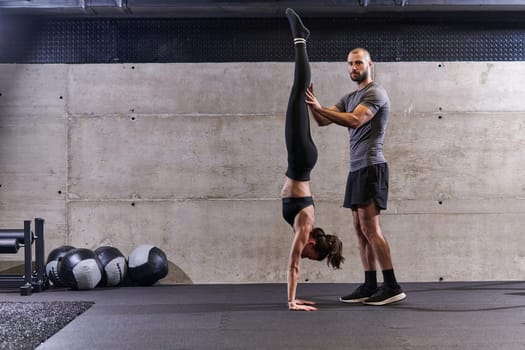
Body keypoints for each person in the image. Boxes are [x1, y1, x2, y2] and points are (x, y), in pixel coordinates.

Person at [305, 48, 406, 306]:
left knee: (371, 228)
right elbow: (322, 120)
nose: (353, 68)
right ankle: (370, 284)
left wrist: (320, 108)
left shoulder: (375, 93)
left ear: (369, 64)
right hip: (357, 170)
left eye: (358, 63)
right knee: (360, 231)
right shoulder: (350, 96)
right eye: (350, 64)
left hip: (372, 167)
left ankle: (392, 285)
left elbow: (353, 120)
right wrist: (310, 101)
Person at [281, 8, 345, 311]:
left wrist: (296, 298)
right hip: (300, 158)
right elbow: (294, 264)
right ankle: (300, 37)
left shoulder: (305, 227)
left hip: (302, 159)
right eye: (312, 255)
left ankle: (301, 39)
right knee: (297, 92)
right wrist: (292, 302)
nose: (306, 257)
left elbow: (297, 262)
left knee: (300, 94)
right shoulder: (305, 226)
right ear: (311, 245)